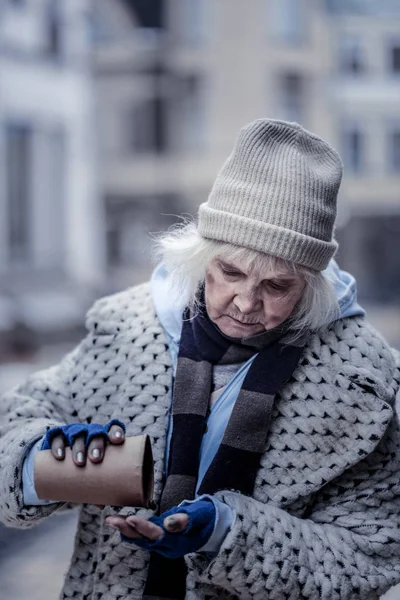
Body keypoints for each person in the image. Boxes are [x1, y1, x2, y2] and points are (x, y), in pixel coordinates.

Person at [0, 118, 399, 600]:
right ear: (199, 256)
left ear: (312, 286)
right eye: (229, 272)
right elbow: (11, 427)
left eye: (276, 286)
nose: (245, 303)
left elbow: (371, 556)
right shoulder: (126, 327)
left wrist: (226, 534)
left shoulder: (362, 381)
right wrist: (44, 457)